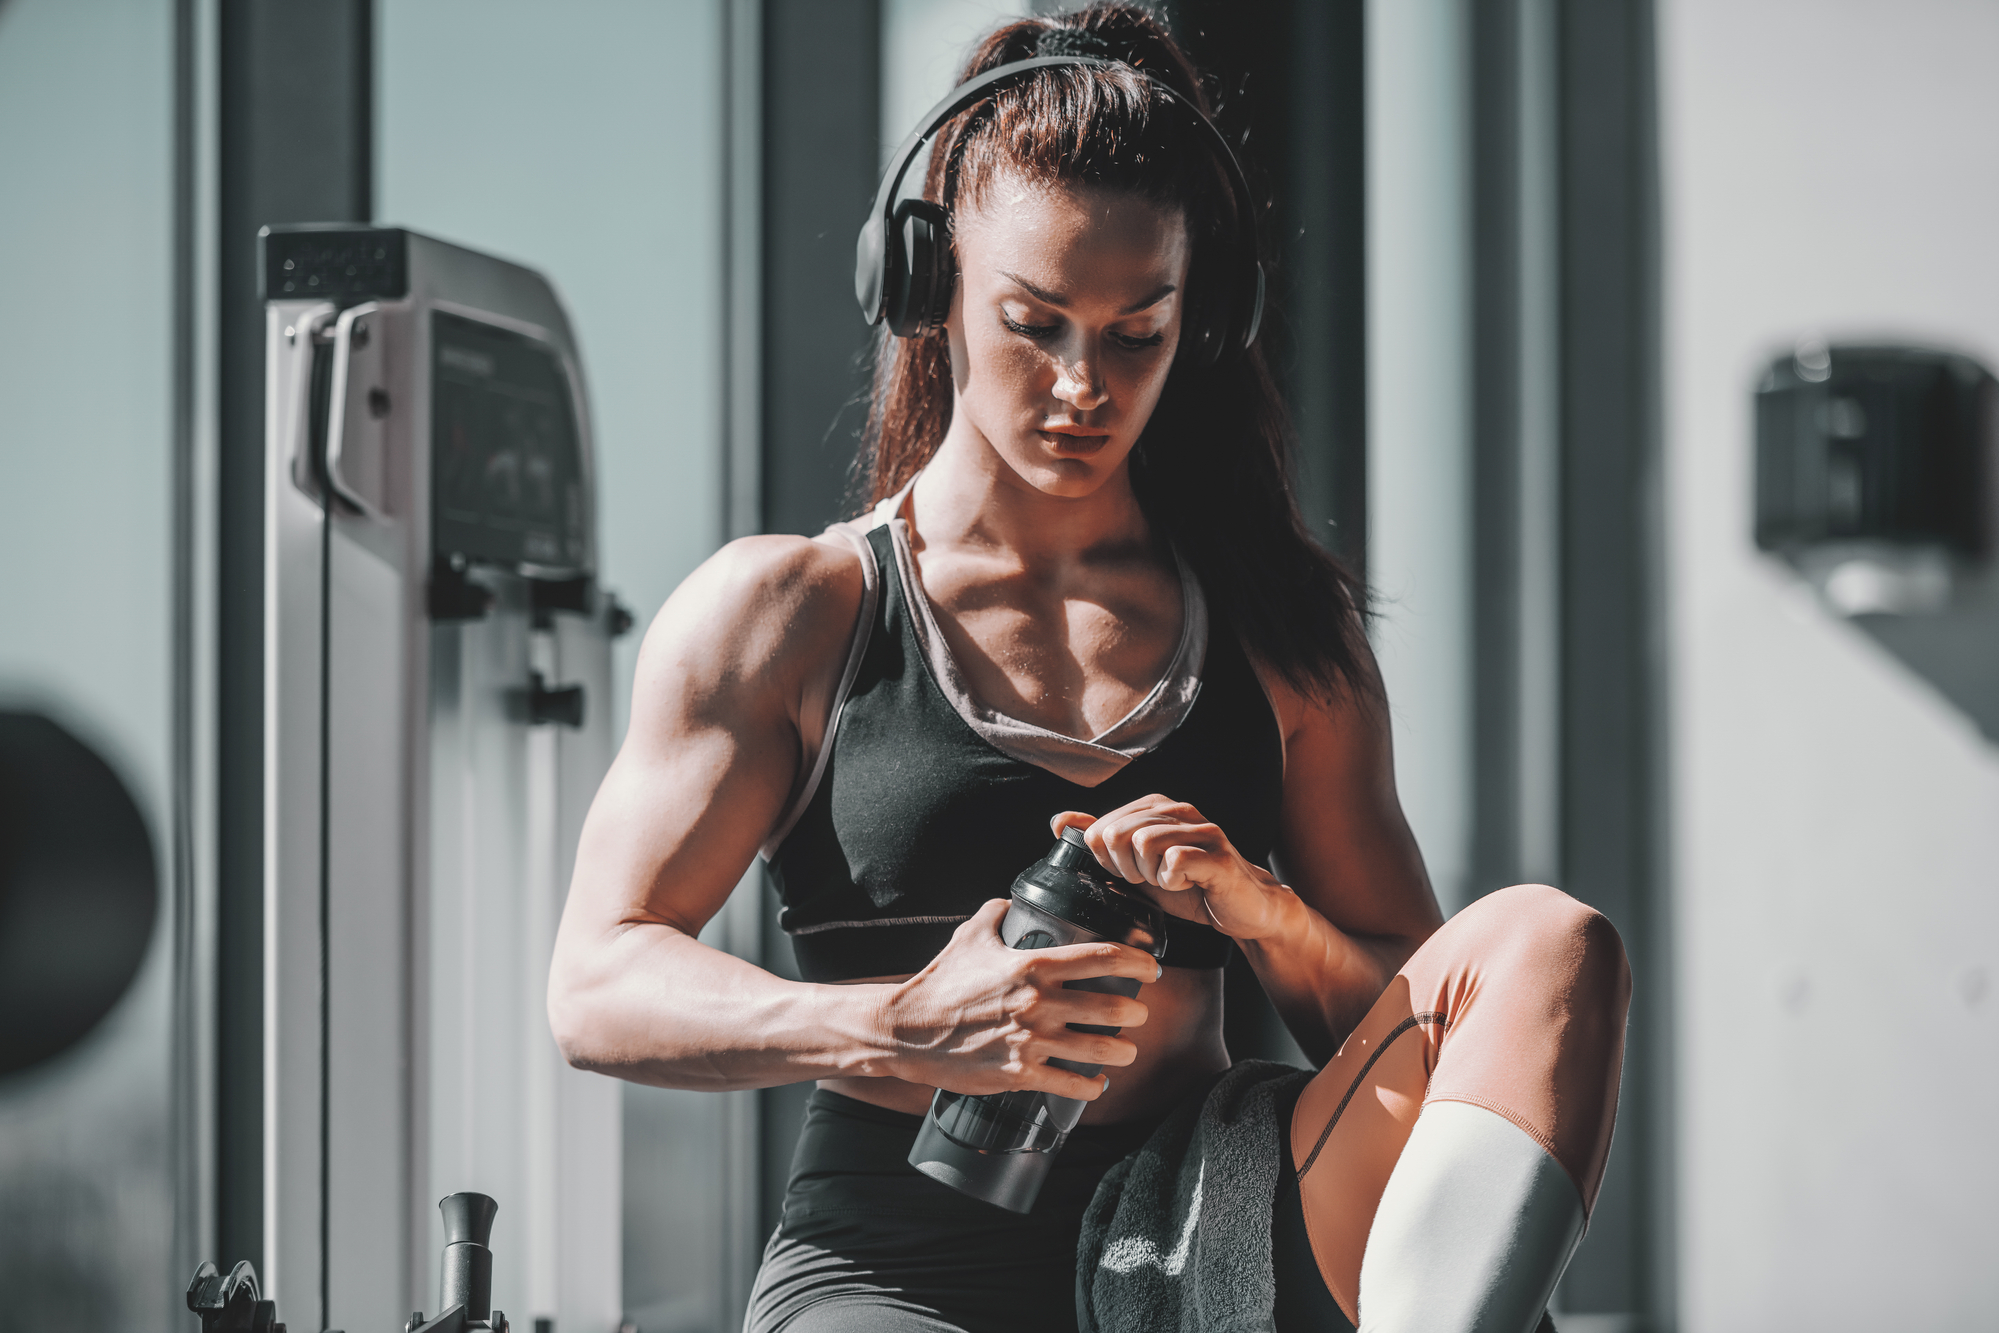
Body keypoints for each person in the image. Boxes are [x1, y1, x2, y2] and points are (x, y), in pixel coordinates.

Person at [548, 7, 1629, 1331]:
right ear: (928, 280)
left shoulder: (1282, 633)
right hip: (902, 1253)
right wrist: (898, 1025)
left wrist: (1259, 911)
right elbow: (595, 981)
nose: (1082, 385)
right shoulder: (791, 612)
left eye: (1137, 332)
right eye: (1036, 322)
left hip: (1207, 1219)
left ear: (1204, 316)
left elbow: (1430, 1021)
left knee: (1551, 946)